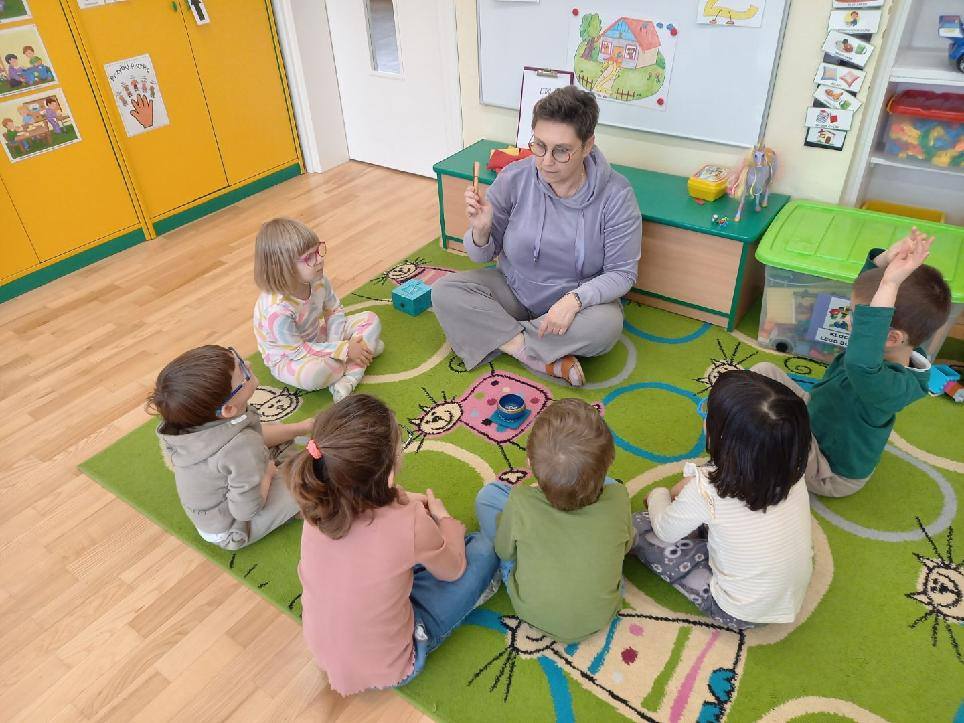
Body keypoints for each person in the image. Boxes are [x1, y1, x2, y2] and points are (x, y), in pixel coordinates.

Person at [432, 86, 642, 387]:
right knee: (444, 291)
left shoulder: (617, 195)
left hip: (574, 306)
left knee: (606, 327)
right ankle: (531, 352)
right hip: (515, 290)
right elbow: (481, 256)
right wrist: (480, 231)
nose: (546, 161)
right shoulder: (514, 177)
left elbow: (622, 273)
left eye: (561, 150)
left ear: (587, 146)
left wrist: (574, 301)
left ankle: (500, 335)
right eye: (540, 146)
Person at [289, 394, 499, 695]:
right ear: (389, 471)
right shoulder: (409, 522)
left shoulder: (317, 507)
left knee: (401, 563)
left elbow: (373, 524)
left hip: (325, 652)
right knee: (481, 549)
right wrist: (445, 520)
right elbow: (453, 569)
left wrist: (404, 502)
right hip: (392, 666)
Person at [752, 229, 951, 497]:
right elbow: (867, 298)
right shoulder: (889, 345)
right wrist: (884, 263)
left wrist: (890, 285)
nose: (846, 319)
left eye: (855, 317)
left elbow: (862, 359)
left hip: (828, 470)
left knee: (756, 431)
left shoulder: (890, 383)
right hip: (814, 415)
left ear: (891, 337)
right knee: (762, 373)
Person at [631, 370, 814, 629]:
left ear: (720, 437)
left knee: (637, 527)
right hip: (787, 594)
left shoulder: (707, 489)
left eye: (708, 414)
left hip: (739, 610)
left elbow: (664, 530)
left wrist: (658, 494)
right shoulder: (793, 471)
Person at [475, 398, 634, 642]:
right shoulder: (619, 497)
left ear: (529, 464)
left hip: (531, 611)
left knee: (488, 496)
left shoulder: (520, 500)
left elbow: (504, 551)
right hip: (600, 614)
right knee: (611, 492)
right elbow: (627, 545)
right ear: (609, 462)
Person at [147, 345, 305, 550]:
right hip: (234, 528)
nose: (249, 364)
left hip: (216, 511)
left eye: (238, 358)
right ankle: (298, 508)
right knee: (310, 480)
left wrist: (300, 428)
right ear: (228, 409)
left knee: (274, 433)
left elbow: (258, 437)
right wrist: (267, 473)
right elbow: (246, 510)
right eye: (243, 371)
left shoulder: (197, 424)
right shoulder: (242, 445)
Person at [253, 217, 383, 399]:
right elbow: (297, 350)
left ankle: (350, 373)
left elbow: (334, 311)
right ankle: (359, 360)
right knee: (313, 376)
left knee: (371, 319)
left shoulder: (317, 279)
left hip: (318, 338)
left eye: (318, 250)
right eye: (309, 257)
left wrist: (339, 346)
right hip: (290, 358)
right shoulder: (276, 310)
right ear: (283, 267)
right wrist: (344, 350)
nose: (320, 259)